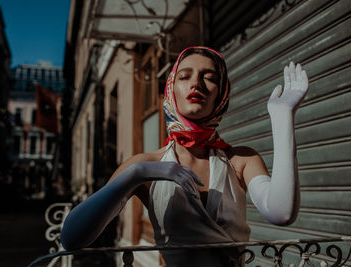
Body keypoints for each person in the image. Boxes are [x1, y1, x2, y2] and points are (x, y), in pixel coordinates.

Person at [60, 46, 308, 266]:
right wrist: (136, 174)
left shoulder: (241, 160)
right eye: (184, 76)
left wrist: (282, 117)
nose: (196, 83)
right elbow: (72, 238)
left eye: (209, 78)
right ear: (171, 88)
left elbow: (281, 212)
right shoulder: (146, 164)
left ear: (221, 95)